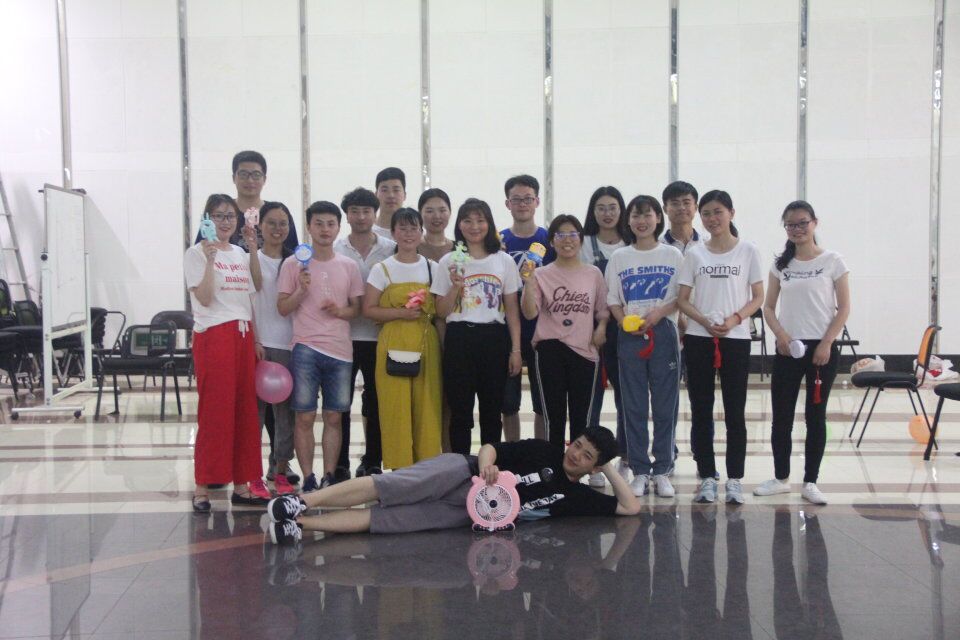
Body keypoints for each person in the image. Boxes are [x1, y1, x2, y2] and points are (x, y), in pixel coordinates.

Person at [266, 426, 642, 542]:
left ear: (593, 466)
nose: (576, 455)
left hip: (467, 513)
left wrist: (608, 469)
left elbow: (630, 507)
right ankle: (303, 501)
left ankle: (300, 526)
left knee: (386, 522)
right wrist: (488, 466)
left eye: (587, 456)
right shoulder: (543, 450)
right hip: (462, 472)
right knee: (388, 486)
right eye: (577, 445)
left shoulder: (576, 495)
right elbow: (491, 447)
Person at [754, 201, 850, 505]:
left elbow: (844, 308)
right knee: (781, 416)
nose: (797, 229)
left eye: (802, 223)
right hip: (788, 348)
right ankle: (781, 477)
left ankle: (811, 481)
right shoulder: (781, 265)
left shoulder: (833, 261)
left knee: (815, 416)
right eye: (791, 225)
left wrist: (826, 343)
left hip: (822, 350)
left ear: (814, 223)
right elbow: (768, 308)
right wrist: (781, 336)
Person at [184, 194, 271, 512]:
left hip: (243, 335)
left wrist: (252, 249)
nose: (225, 222)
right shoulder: (196, 253)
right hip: (214, 335)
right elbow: (205, 298)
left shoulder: (239, 252)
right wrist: (210, 260)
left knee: (245, 413)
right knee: (215, 412)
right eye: (218, 216)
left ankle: (243, 484)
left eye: (230, 216)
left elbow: (254, 291)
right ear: (207, 220)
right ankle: (203, 487)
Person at [676, 190, 764, 504]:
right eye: (707, 213)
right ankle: (707, 477)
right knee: (701, 409)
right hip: (699, 339)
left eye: (718, 212)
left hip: (735, 340)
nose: (712, 219)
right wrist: (703, 320)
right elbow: (682, 300)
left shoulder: (748, 251)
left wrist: (735, 319)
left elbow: (758, 297)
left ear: (731, 213)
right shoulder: (695, 253)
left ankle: (735, 479)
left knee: (735, 411)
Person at [278, 201, 364, 492]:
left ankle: (328, 475)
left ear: (339, 227)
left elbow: (356, 309)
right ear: (309, 227)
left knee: (333, 416)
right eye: (319, 223)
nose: (325, 229)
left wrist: (340, 311)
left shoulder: (349, 266)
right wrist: (301, 290)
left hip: (340, 351)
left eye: (330, 224)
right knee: (303, 416)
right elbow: (282, 307)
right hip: (305, 348)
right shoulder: (293, 264)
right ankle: (308, 477)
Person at [605, 196, 683, 499]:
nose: (642, 221)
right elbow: (613, 299)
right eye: (636, 216)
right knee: (633, 405)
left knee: (665, 405)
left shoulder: (672, 254)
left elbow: (681, 296)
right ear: (629, 221)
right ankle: (639, 470)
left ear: (658, 218)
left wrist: (659, 314)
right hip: (630, 334)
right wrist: (624, 322)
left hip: (663, 332)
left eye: (647, 215)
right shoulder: (620, 257)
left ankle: (662, 469)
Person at [431, 198, 522, 454]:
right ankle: (460, 467)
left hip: (494, 338)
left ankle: (488, 468)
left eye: (480, 220)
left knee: (492, 411)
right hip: (459, 338)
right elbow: (440, 312)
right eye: (468, 220)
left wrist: (516, 350)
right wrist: (455, 287)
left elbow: (512, 310)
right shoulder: (449, 261)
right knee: (460, 411)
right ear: (459, 225)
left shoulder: (503, 260)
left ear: (489, 224)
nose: (474, 226)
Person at [520, 214, 608, 451]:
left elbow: (602, 311)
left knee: (582, 418)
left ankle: (577, 468)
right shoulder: (541, 274)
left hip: (585, 351)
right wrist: (528, 283)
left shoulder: (593, 274)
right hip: (550, 350)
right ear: (551, 241)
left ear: (581, 239)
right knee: (553, 417)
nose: (567, 240)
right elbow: (529, 313)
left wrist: (601, 329)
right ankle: (554, 467)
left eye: (572, 234)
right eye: (560, 235)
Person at [364, 207, 442, 468]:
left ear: (421, 232)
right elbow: (368, 309)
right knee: (395, 407)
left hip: (425, 342)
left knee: (427, 406)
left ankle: (426, 468)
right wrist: (399, 313)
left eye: (414, 228)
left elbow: (441, 309)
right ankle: (400, 470)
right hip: (393, 342)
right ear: (393, 232)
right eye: (403, 228)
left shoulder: (432, 268)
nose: (409, 234)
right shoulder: (382, 269)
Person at [333, 187, 396, 480]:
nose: (360, 217)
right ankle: (340, 462)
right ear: (347, 216)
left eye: (366, 211)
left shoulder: (390, 248)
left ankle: (373, 460)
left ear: (375, 213)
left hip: (379, 337)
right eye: (355, 211)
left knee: (376, 402)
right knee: (341, 402)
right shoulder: (335, 248)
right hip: (342, 337)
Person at [500, 175, 555, 442]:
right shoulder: (498, 241)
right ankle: (512, 456)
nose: (522, 204)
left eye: (528, 199)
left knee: (543, 401)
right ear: (507, 204)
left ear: (537, 201)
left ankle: (541, 456)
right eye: (517, 199)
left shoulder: (549, 239)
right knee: (508, 402)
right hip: (507, 330)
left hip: (543, 330)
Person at [249, 202, 297, 494]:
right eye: (271, 223)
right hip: (258, 344)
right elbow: (250, 293)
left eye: (283, 223)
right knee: (254, 415)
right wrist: (255, 339)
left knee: (285, 416)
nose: (278, 229)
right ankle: (251, 473)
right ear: (260, 226)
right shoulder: (248, 258)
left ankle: (280, 469)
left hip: (288, 345)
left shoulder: (296, 261)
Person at [580, 186, 628, 486]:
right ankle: (591, 461)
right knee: (591, 398)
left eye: (612, 207)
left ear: (621, 210)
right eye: (601, 207)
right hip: (590, 328)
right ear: (593, 211)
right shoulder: (583, 243)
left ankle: (627, 456)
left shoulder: (632, 242)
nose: (607, 213)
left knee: (627, 397)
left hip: (627, 328)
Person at [194, 150, 300, 253]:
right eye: (243, 174)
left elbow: (293, 254)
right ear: (233, 178)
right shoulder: (219, 212)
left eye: (256, 175)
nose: (250, 180)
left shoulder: (277, 213)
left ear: (264, 179)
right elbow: (201, 250)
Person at [417, 188, 455, 262]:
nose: (437, 216)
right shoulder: (412, 248)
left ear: (450, 212)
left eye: (442, 210)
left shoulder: (461, 249)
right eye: (430, 211)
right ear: (419, 214)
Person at [372, 167, 406, 238]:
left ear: (405, 195)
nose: (391, 195)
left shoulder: (417, 234)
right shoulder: (368, 232)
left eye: (396, 190)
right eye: (384, 190)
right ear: (376, 195)